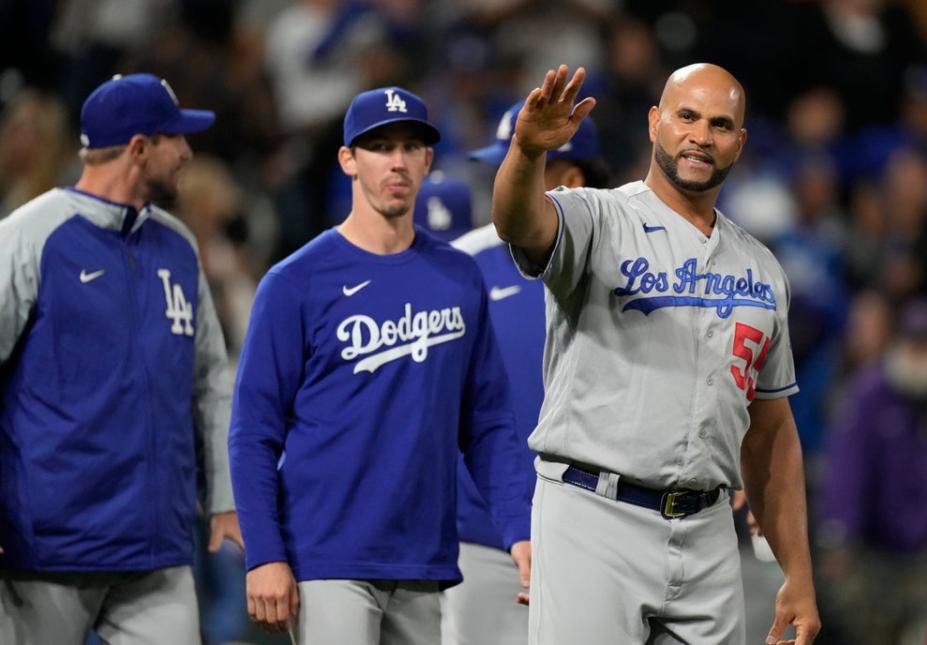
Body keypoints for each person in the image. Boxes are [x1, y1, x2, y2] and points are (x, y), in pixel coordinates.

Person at [491, 64, 821, 644]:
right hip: (594, 518)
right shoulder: (598, 217)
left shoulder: (761, 269)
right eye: (686, 116)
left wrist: (798, 572)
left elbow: (770, 432)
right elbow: (519, 222)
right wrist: (526, 152)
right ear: (655, 123)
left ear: (739, 143)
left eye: (721, 124)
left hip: (709, 530)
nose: (701, 135)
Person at [228, 86, 532, 644]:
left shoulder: (459, 276)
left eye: (410, 146)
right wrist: (264, 554)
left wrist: (519, 528)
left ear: (427, 160)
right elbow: (253, 433)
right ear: (348, 159)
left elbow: (486, 424)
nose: (396, 161)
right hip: (326, 552)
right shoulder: (296, 281)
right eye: (379, 146)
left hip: (422, 557)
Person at [0, 73, 241, 645]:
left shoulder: (179, 245)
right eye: (174, 139)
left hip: (155, 548)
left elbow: (209, 381)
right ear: (138, 148)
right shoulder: (32, 237)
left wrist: (227, 498)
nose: (187, 153)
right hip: (49, 547)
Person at [442, 100, 608, 645]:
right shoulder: (461, 263)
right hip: (482, 536)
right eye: (503, 163)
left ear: (574, 178)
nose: (504, 178)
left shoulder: (626, 263)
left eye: (526, 160)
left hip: (601, 533)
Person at [817, 299, 927, 644]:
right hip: (869, 554)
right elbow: (847, 470)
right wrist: (839, 536)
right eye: (914, 344)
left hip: (925, 553)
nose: (920, 354)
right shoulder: (871, 394)